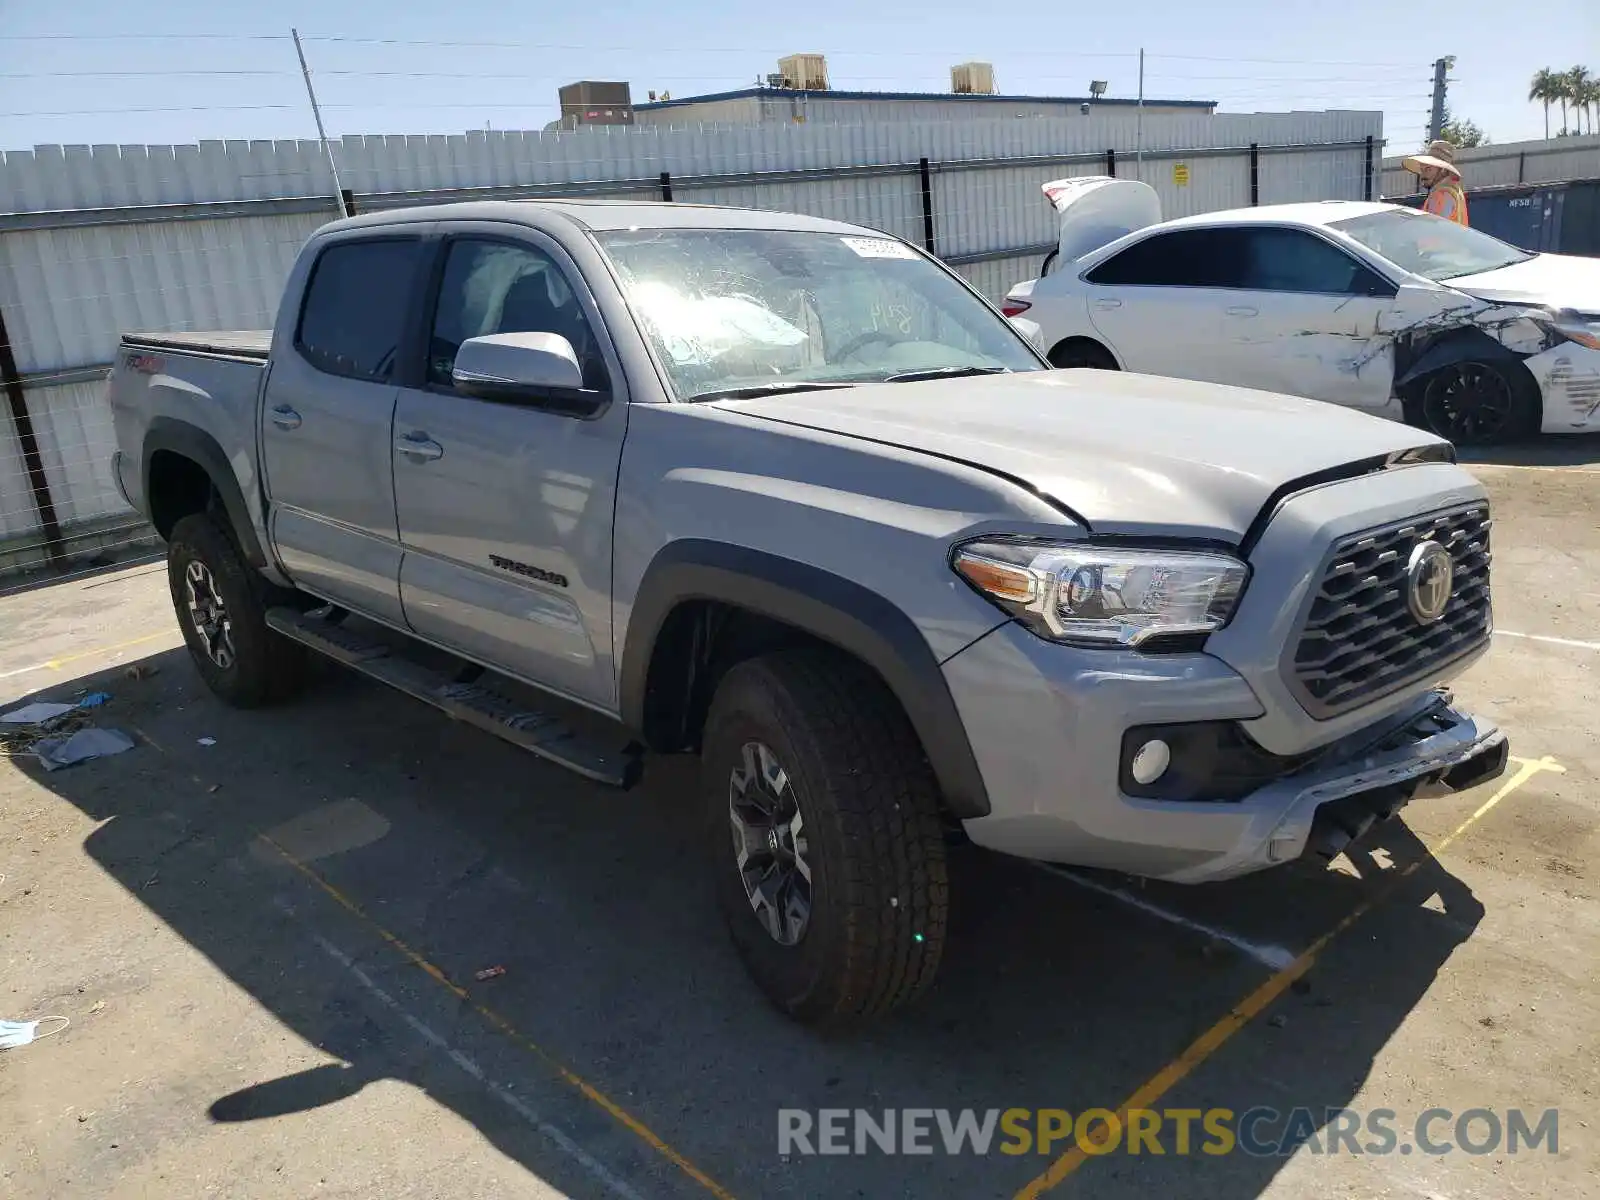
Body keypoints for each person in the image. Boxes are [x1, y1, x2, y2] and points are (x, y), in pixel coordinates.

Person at [1402, 139, 1469, 226]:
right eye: (1422, 170)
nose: (1423, 175)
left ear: (1443, 170)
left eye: (1428, 169)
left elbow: (1432, 230)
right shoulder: (1454, 191)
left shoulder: (1441, 195)